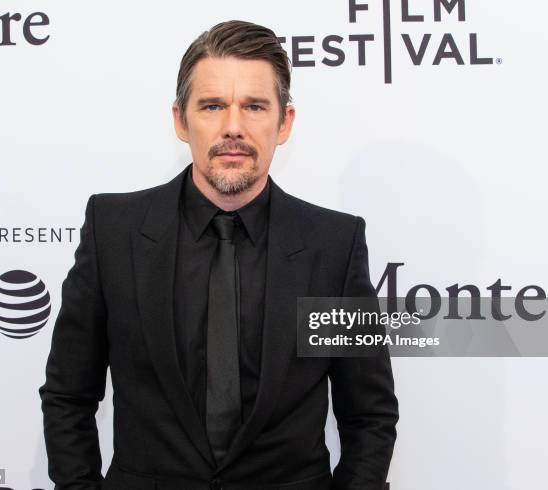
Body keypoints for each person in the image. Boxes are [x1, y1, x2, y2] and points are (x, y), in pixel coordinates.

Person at [39, 19, 398, 490]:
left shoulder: (334, 243)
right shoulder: (114, 231)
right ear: (180, 120)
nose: (234, 127)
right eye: (212, 106)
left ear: (284, 122)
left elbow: (368, 413)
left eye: (254, 106)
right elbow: (69, 395)